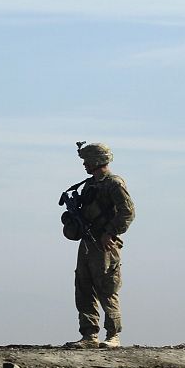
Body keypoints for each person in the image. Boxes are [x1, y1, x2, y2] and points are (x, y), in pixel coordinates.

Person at [62, 143, 135, 349]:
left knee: (107, 286)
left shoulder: (114, 183)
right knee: (83, 286)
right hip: (87, 242)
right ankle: (89, 334)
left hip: (105, 244)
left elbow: (127, 212)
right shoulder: (89, 185)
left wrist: (110, 232)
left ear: (96, 160)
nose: (84, 164)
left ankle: (113, 335)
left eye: (87, 160)